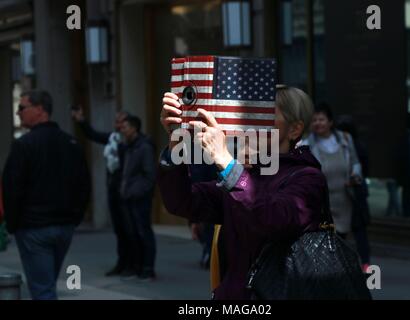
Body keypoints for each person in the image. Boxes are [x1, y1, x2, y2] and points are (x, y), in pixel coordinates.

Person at [158, 86, 328, 299]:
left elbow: (272, 218)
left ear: (294, 130)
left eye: (265, 116)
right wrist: (176, 141)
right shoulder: (249, 172)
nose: (251, 124)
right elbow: (182, 202)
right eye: (249, 115)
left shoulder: (308, 177)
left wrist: (228, 164)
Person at [2, 90, 91, 300]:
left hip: (35, 228)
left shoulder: (25, 145)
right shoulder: (71, 144)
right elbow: (84, 186)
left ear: (40, 110)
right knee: (46, 285)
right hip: (62, 227)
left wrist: (14, 224)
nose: (18, 113)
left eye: (22, 108)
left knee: (43, 290)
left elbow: (11, 188)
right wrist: (74, 219)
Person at [72, 106, 132, 276]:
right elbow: (92, 134)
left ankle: (137, 265)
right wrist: (81, 121)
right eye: (117, 122)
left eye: (122, 122)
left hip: (127, 192)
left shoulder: (131, 143)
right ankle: (122, 263)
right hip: (114, 190)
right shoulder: (112, 138)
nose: (118, 125)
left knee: (131, 231)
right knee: (119, 230)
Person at [305, 103, 362, 239]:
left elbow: (355, 163)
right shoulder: (306, 145)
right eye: (314, 120)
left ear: (330, 122)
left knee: (343, 237)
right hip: (322, 202)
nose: (318, 123)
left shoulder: (345, 139)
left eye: (321, 119)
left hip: (345, 200)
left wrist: (355, 175)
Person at [120, 115, 157, 280]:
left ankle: (148, 269)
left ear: (134, 128)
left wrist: (137, 192)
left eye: (125, 127)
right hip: (129, 197)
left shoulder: (144, 147)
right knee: (133, 233)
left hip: (139, 198)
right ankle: (138, 267)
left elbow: (149, 175)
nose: (122, 130)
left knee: (143, 232)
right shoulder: (129, 146)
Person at [335, 115, 372, 272]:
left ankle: (341, 265)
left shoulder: (340, 147)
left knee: (340, 232)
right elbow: (366, 170)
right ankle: (365, 265)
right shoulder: (359, 146)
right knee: (359, 233)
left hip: (347, 192)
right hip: (356, 193)